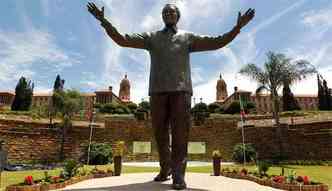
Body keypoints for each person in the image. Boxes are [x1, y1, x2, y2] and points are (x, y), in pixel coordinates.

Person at [87, 3, 254, 189]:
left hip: (181, 91)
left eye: (171, 11)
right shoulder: (152, 37)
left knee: (180, 135)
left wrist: (237, 28)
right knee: (160, 134)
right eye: (165, 12)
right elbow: (122, 39)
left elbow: (217, 42)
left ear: (178, 16)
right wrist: (104, 21)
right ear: (162, 16)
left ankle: (178, 176)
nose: (168, 14)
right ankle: (165, 168)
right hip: (157, 90)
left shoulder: (187, 38)